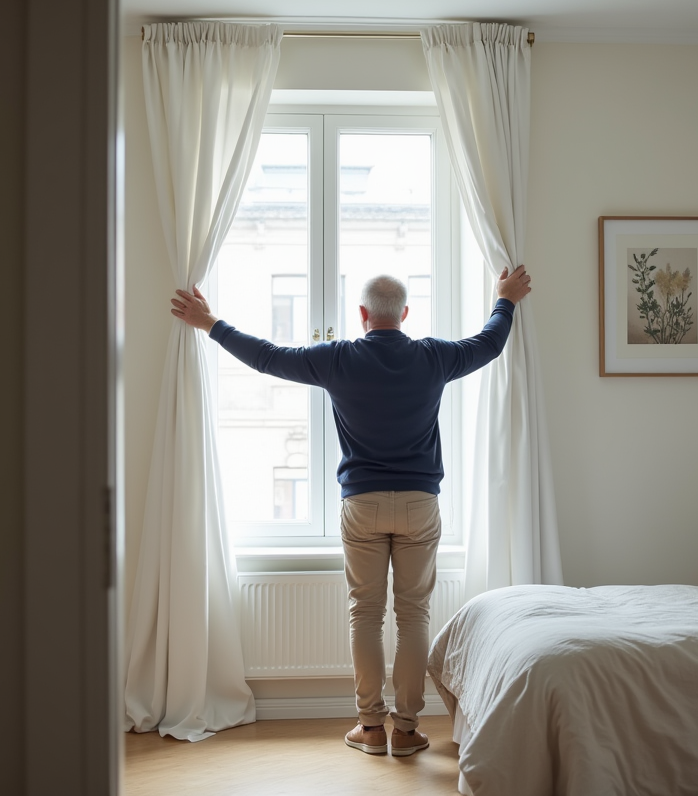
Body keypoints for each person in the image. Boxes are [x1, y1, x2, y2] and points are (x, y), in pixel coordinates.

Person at [169, 264, 533, 757]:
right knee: (414, 615)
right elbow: (489, 343)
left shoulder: (337, 358)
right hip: (419, 503)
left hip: (361, 504)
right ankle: (407, 730)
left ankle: (371, 727)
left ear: (362, 314)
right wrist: (505, 299)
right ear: (404, 314)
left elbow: (267, 357)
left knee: (366, 613)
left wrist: (210, 323)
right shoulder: (433, 356)